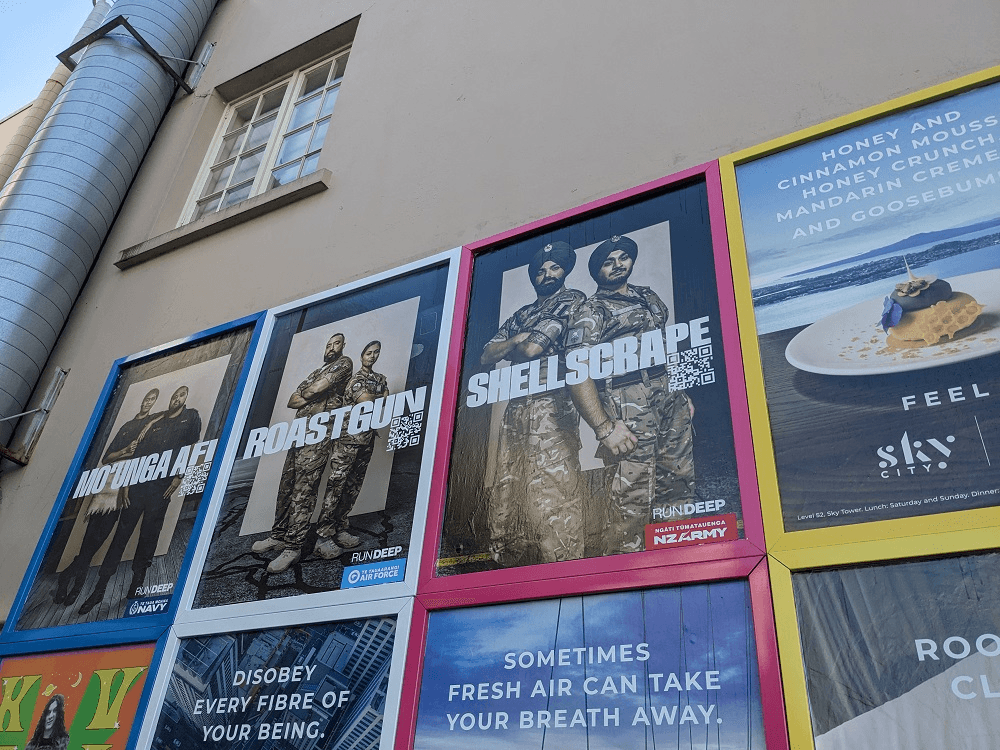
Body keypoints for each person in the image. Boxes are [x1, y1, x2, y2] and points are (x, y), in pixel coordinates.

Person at [567, 234, 695, 556]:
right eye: (608, 263)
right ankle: (627, 570)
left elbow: (665, 346)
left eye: (622, 258)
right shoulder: (590, 310)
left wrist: (680, 391)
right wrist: (604, 427)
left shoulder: (647, 296)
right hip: (626, 402)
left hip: (666, 397)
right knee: (631, 498)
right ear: (596, 272)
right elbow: (577, 371)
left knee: (679, 481)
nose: (617, 265)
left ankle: (679, 557)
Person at [481, 241, 586, 565]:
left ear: (564, 270)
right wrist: (517, 339)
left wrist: (513, 343)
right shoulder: (523, 313)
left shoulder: (572, 301)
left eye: (554, 267)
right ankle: (506, 561)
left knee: (554, 488)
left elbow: (529, 352)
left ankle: (562, 566)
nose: (547, 274)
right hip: (517, 406)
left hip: (551, 403)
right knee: (507, 485)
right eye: (540, 270)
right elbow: (486, 354)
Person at [78, 386, 202, 615]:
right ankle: (99, 590)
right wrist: (126, 484)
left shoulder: (191, 417)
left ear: (186, 398)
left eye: (181, 394)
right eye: (174, 394)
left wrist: (178, 478)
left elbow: (191, 448)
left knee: (149, 535)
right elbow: (136, 455)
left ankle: (136, 586)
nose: (177, 397)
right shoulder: (155, 421)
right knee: (120, 537)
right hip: (136, 486)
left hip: (162, 487)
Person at [254, 333, 353, 573]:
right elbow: (293, 400)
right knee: (287, 487)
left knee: (303, 490)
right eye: (328, 344)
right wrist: (313, 390)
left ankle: (293, 547)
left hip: (320, 434)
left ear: (343, 346)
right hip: (300, 433)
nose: (331, 347)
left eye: (336, 343)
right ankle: (278, 535)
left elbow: (310, 392)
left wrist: (312, 392)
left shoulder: (344, 363)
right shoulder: (317, 371)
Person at [54, 388, 160, 606]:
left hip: (132, 489)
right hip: (110, 490)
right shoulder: (126, 426)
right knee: (91, 543)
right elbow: (107, 457)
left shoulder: (151, 426)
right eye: (147, 398)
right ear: (142, 400)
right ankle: (75, 584)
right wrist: (125, 452)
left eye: (153, 399)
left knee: (112, 542)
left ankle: (71, 579)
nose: (148, 402)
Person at [313, 340, 388, 559]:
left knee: (353, 486)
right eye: (368, 353)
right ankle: (323, 536)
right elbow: (366, 401)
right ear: (361, 354)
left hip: (367, 439)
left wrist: (381, 398)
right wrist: (380, 397)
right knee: (336, 486)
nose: (372, 356)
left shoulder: (379, 378)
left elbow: (384, 399)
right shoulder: (356, 380)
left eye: (376, 353)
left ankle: (341, 528)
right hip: (347, 440)